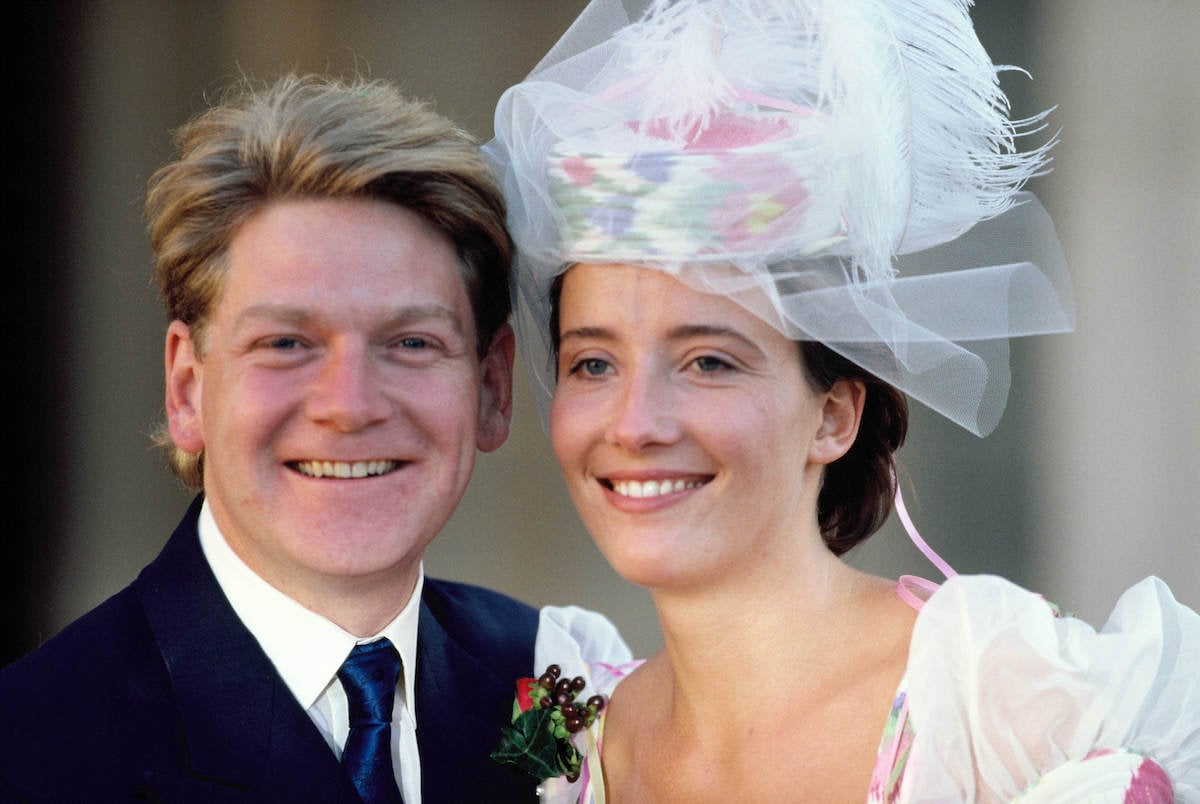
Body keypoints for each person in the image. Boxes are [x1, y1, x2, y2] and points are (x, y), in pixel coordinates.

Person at [485, 0, 1200, 801]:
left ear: (833, 416)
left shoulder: (997, 696)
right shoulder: (568, 743)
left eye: (710, 361)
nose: (635, 423)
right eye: (592, 363)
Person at [0, 73, 629, 803]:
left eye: (412, 343)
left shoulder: (562, 687)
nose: (349, 407)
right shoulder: (28, 751)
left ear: (492, 388)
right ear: (187, 389)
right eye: (287, 343)